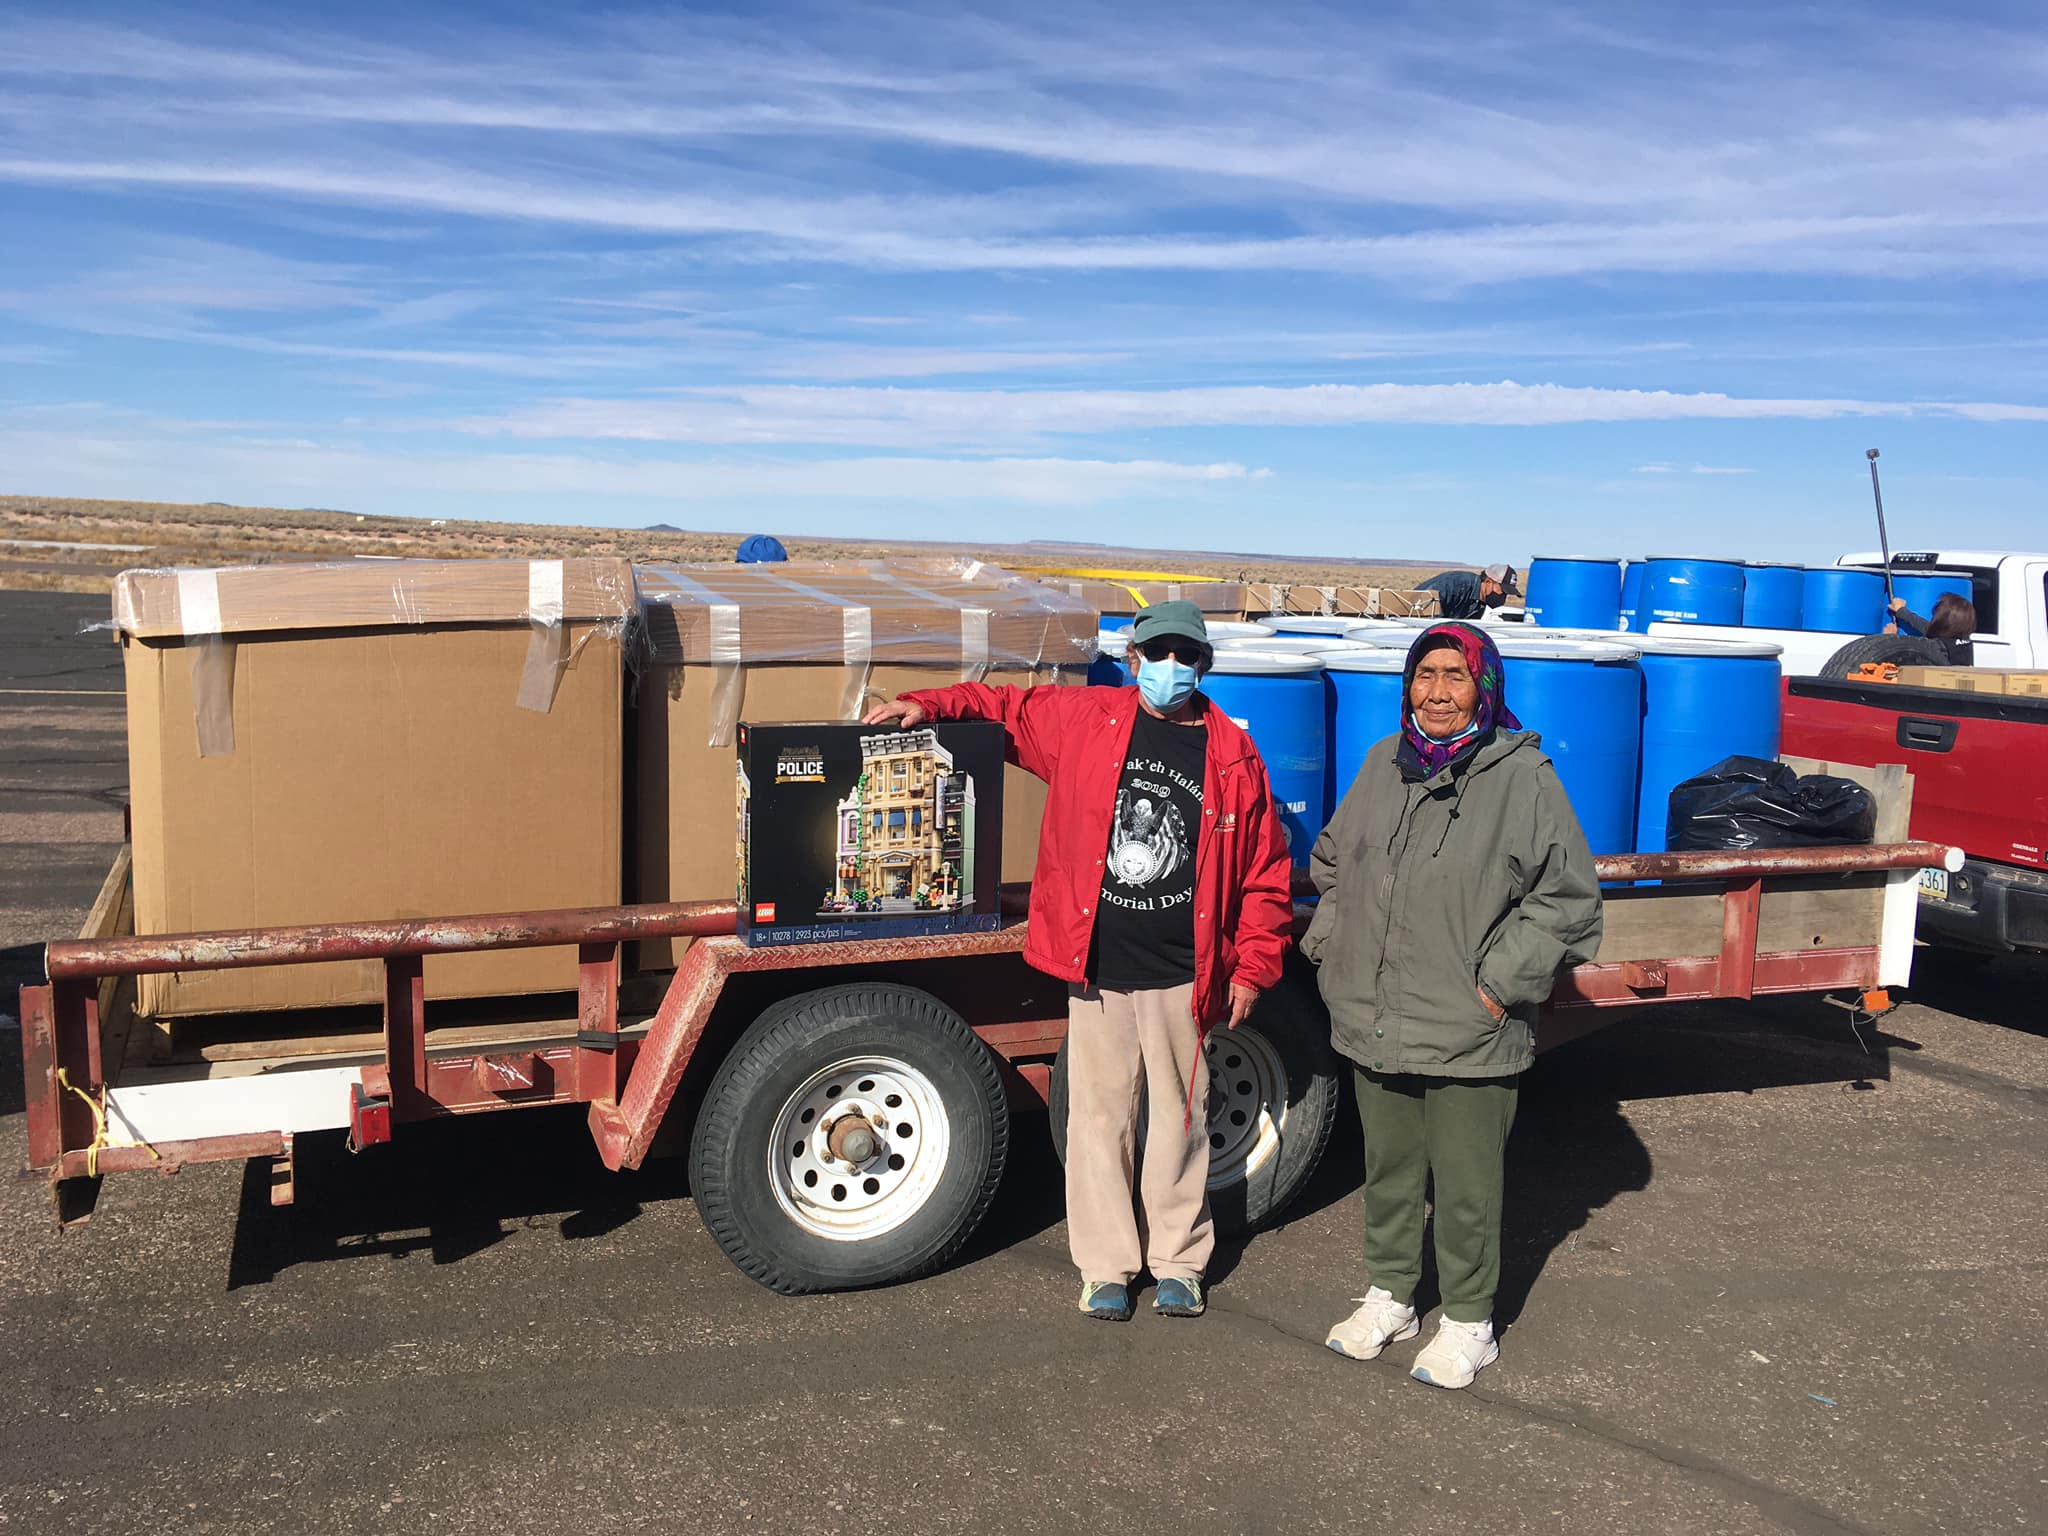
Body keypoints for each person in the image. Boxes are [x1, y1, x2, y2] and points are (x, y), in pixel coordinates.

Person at [862, 601, 1294, 1322]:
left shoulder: (1233, 756)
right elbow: (1001, 705)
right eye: (1156, 653)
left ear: (1205, 665)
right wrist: (924, 703)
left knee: (1183, 1117)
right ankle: (1107, 1266)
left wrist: (1251, 968)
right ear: (1133, 661)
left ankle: (1180, 1260)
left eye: (1185, 655)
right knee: (1098, 1118)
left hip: (1185, 970)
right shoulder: (1086, 720)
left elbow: (1263, 874)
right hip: (1098, 963)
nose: (1170, 668)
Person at [1303, 622, 1602, 1388]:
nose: (1437, 692)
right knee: (1390, 1168)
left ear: (1484, 687)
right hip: (1375, 1013)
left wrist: (1498, 985)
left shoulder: (1522, 777)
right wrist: (1331, 947)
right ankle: (1390, 1295)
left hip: (1470, 1023)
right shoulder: (1382, 763)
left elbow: (1568, 900)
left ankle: (1470, 1319)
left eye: (1454, 676)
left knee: (1468, 1184)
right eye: (1425, 675)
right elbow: (1333, 862)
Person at [1885, 592, 1976, 665]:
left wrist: (1890, 639)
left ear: (1940, 620)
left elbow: (1906, 652)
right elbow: (1928, 628)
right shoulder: (1968, 645)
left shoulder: (1937, 648)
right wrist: (1902, 612)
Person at [1416, 564, 1519, 620]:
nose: (1503, 597)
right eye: (1502, 591)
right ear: (1488, 582)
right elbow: (1425, 605)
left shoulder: (1479, 604)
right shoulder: (1456, 584)